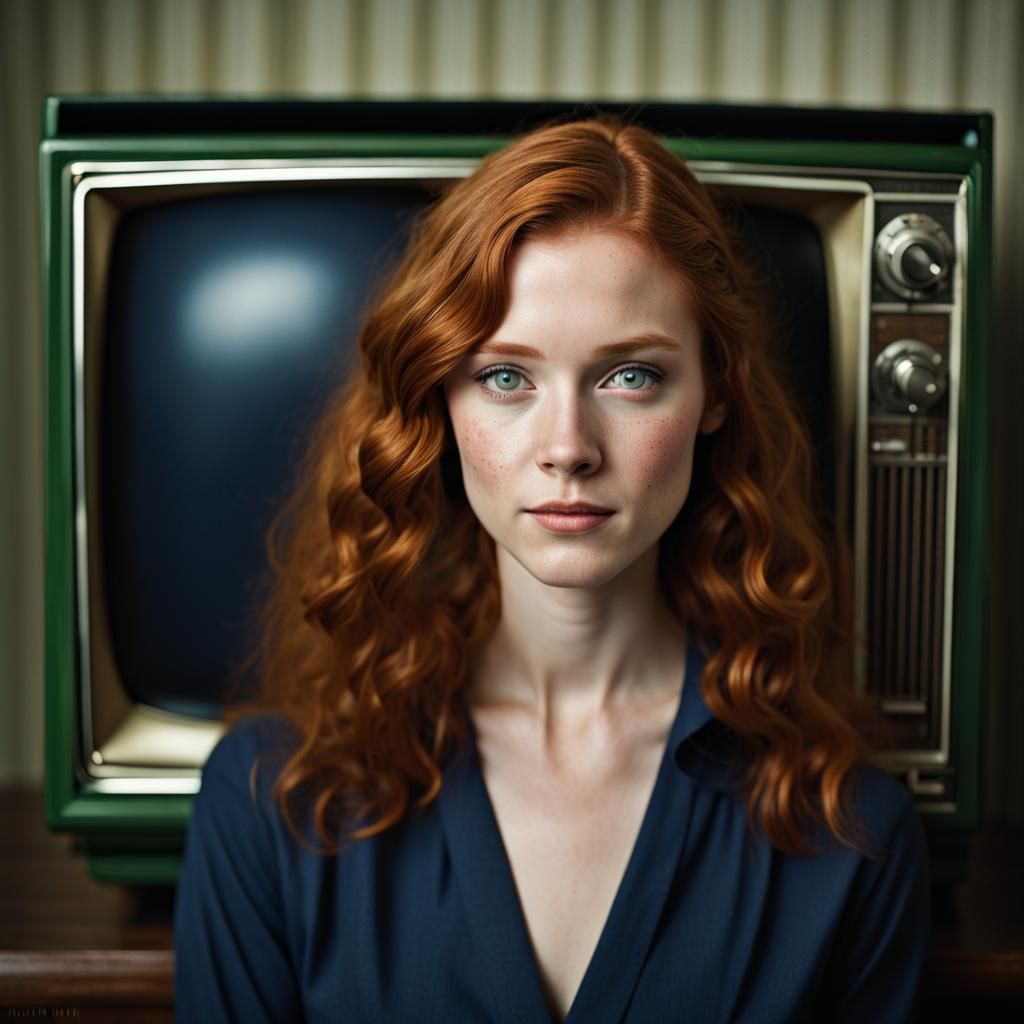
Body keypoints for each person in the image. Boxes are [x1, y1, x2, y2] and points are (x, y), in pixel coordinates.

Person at [173, 115, 931, 1023]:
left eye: (631, 377)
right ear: (437, 403)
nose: (568, 449)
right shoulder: (271, 803)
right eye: (505, 378)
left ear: (715, 396)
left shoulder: (851, 835)